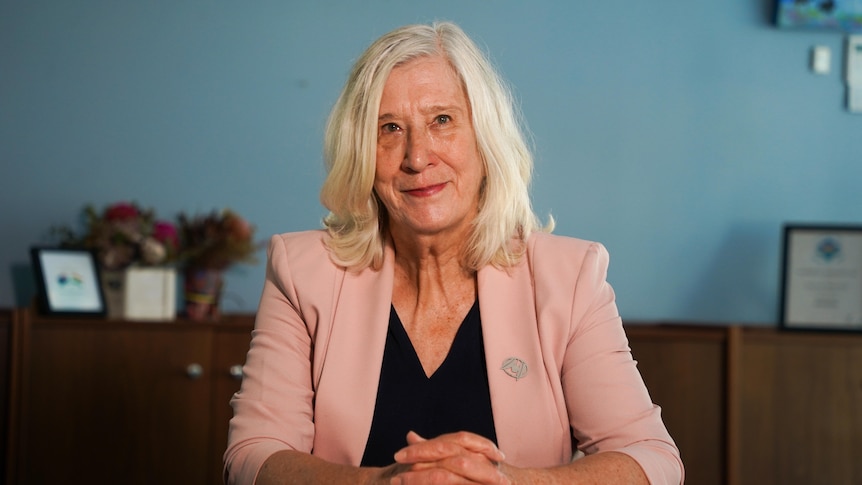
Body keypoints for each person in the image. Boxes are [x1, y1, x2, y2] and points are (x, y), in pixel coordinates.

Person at [224, 21, 684, 485]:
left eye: (441, 121)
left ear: (485, 138)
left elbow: (652, 460)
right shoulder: (303, 273)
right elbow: (253, 457)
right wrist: (385, 483)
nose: (417, 157)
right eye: (389, 128)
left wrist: (509, 483)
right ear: (361, 151)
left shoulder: (568, 278)